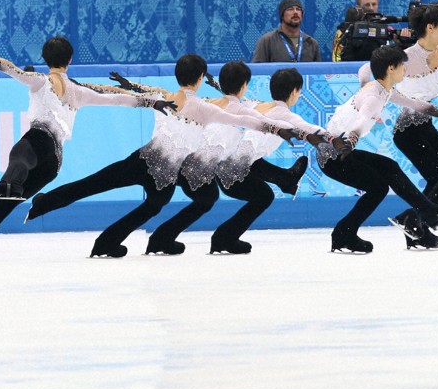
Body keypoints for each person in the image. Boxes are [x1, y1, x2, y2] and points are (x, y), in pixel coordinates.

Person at [26, 54, 300, 258]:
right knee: (152, 205)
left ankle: (47, 204)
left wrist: (107, 83)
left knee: (96, 183)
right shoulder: (203, 107)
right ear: (201, 78)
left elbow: (126, 91)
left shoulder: (163, 95)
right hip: (164, 174)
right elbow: (247, 120)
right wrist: (278, 129)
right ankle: (109, 242)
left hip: (143, 161)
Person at [0, 38, 172, 244]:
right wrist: (152, 102)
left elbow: (11, 69)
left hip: (40, 141)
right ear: (69, 60)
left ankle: (10, 183)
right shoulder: (78, 91)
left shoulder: (40, 81)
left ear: (44, 58)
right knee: (5, 206)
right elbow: (116, 97)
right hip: (54, 163)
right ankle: (9, 188)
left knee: (20, 152)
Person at [144, 62, 314, 255]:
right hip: (200, 166)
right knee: (256, 196)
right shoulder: (244, 109)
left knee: (219, 188)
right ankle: (218, 238)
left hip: (191, 161)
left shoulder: (219, 104)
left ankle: (283, 179)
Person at [315, 46, 438, 253]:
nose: (405, 70)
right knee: (378, 186)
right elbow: (361, 121)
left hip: (340, 151)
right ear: (390, 69)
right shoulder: (373, 96)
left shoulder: (383, 89)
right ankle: (345, 233)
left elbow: (417, 104)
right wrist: (352, 140)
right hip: (336, 155)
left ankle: (425, 217)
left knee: (388, 169)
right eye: (401, 66)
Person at [210, 67, 333, 254]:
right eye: (299, 91)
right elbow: (310, 129)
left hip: (225, 166)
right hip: (233, 173)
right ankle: (223, 238)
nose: (299, 95)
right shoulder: (285, 115)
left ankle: (285, 178)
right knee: (264, 197)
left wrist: (217, 85)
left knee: (252, 158)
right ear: (294, 92)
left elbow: (232, 99)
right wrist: (339, 138)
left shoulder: (254, 105)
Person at [387, 2, 438, 250]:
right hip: (406, 130)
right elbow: (387, 89)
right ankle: (414, 220)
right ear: (430, 27)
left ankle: (416, 229)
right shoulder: (405, 59)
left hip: (424, 125)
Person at [252, 0, 322, 63]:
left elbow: (318, 73)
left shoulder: (311, 43)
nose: (295, 12)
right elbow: (258, 72)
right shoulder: (267, 41)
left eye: (298, 9)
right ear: (282, 15)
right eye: (290, 9)